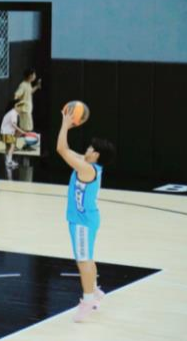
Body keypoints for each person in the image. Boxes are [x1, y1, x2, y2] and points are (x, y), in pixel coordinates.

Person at [56, 108, 115, 322]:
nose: (87, 149)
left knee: (83, 261)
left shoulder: (87, 169)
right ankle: (95, 289)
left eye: (91, 148)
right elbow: (66, 149)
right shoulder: (89, 164)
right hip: (88, 219)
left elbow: (61, 149)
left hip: (82, 222)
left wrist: (65, 124)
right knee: (88, 257)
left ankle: (88, 301)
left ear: (96, 154)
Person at [0, 100, 27, 168]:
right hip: (7, 133)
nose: (21, 109)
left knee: (8, 147)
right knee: (12, 146)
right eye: (20, 107)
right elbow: (14, 125)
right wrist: (22, 131)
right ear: (16, 106)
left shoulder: (11, 112)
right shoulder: (13, 113)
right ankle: (9, 162)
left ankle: (7, 161)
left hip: (3, 132)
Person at [14, 68, 42, 134]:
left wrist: (37, 86)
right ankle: (14, 138)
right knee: (27, 129)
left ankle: (13, 139)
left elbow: (30, 92)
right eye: (34, 75)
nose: (35, 76)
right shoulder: (23, 85)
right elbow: (16, 94)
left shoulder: (28, 84)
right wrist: (16, 105)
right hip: (24, 110)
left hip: (26, 110)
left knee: (24, 128)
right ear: (30, 76)